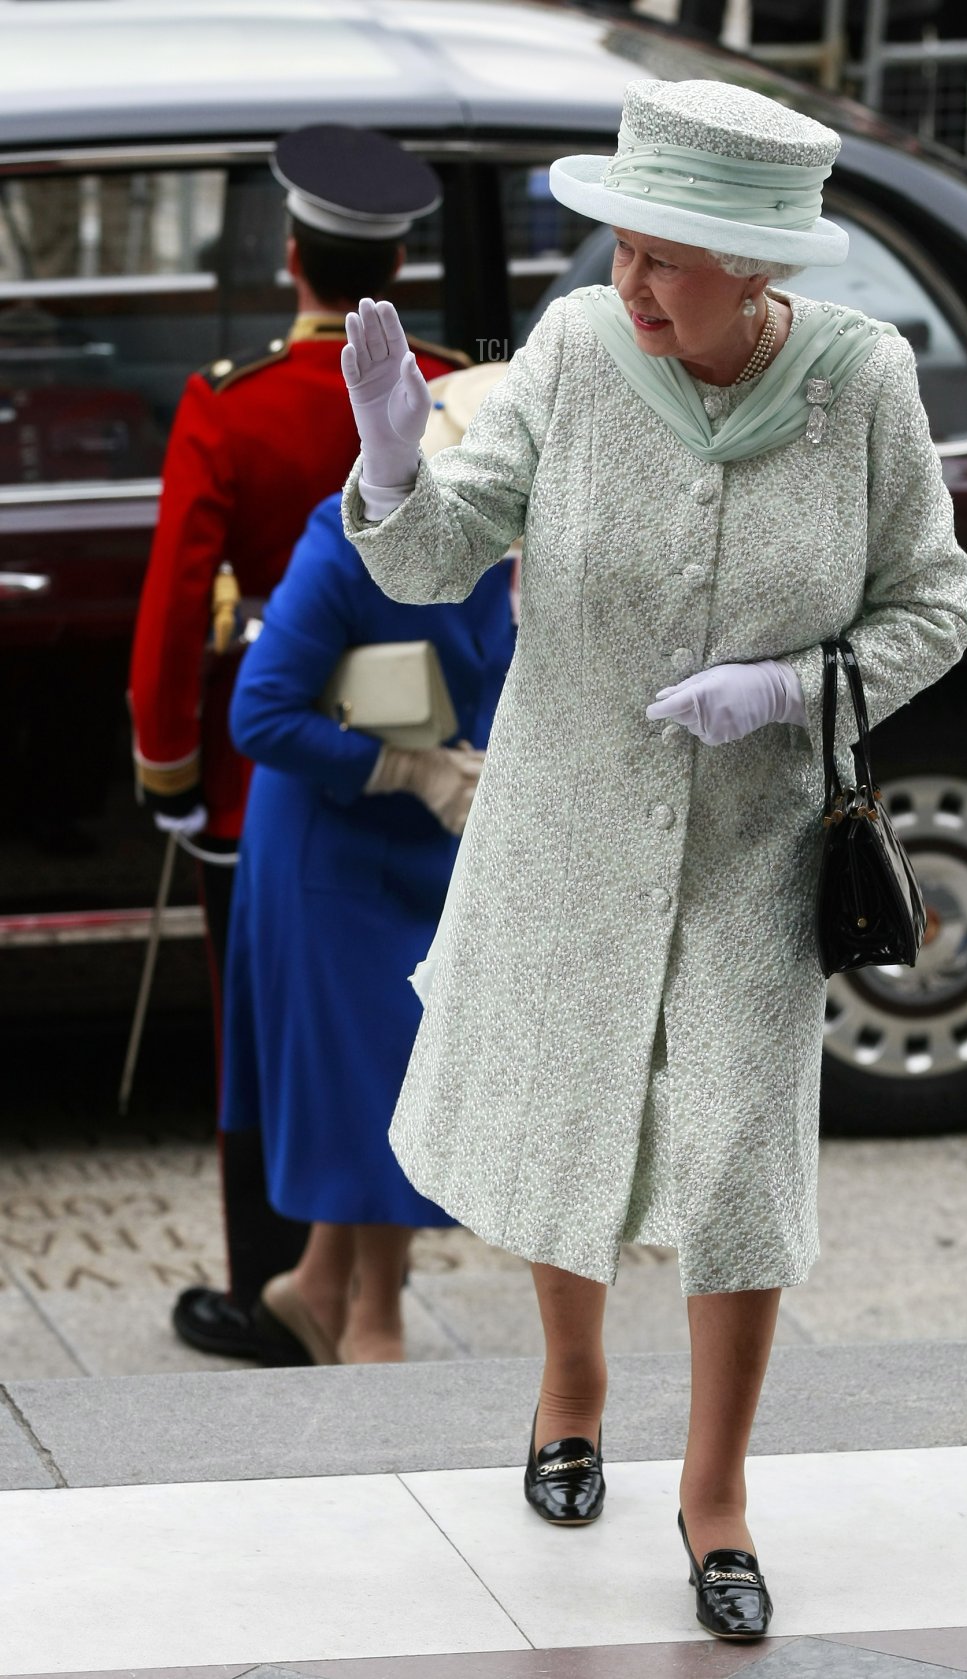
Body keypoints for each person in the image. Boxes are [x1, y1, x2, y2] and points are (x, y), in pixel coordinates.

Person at [340, 80, 967, 1639]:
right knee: (577, 1099)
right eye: (616, 250)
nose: (625, 285)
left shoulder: (864, 385)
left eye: (662, 262)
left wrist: (796, 688)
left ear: (760, 270)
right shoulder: (569, 350)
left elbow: (936, 607)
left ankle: (717, 1495)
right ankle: (569, 1389)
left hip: (759, 846)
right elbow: (442, 552)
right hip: (568, 816)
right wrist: (393, 467)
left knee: (738, 1162)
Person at [127, 124, 467, 1364]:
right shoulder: (452, 389)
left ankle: (286, 1282)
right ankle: (326, 1284)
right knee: (387, 1030)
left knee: (284, 1037)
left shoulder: (235, 403)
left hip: (272, 766)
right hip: (442, 745)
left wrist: (171, 770)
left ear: (290, 256)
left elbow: (176, 607)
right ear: (400, 263)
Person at [220, 365, 516, 1366]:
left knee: (395, 1075)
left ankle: (314, 1287)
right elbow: (261, 713)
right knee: (383, 1078)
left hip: (435, 846)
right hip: (328, 847)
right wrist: (405, 765)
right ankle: (370, 1319)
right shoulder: (341, 540)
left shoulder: (514, 557)